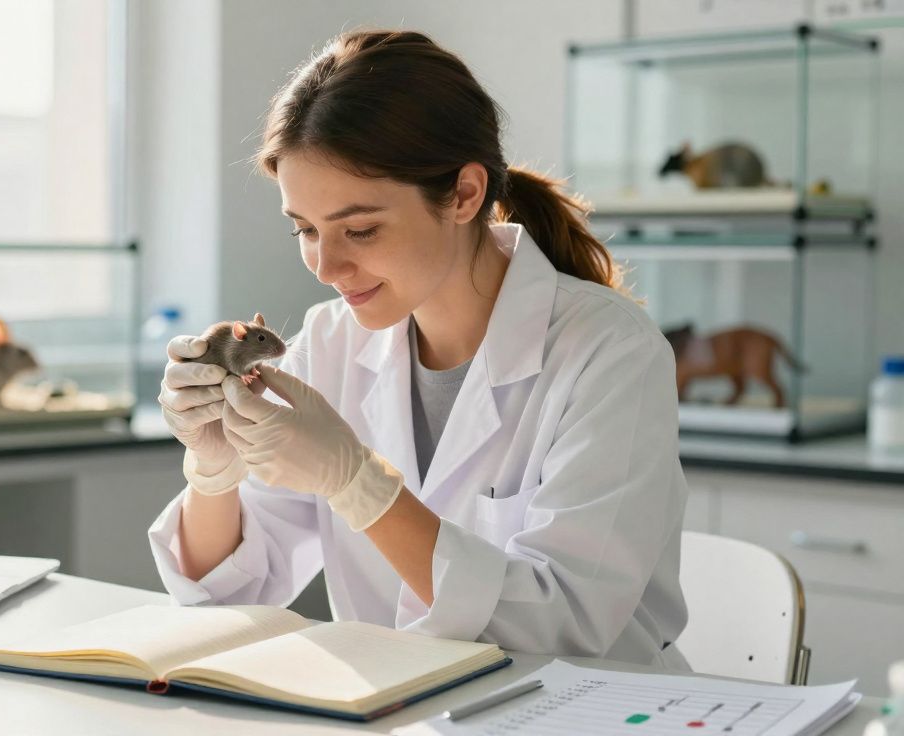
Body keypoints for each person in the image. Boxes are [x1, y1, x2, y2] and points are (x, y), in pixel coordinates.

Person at [149, 29, 689, 668]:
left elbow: (564, 622)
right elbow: (231, 592)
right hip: (401, 708)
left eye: (360, 228)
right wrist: (217, 469)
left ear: (463, 194)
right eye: (305, 230)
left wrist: (359, 484)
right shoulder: (328, 343)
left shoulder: (607, 352)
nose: (324, 265)